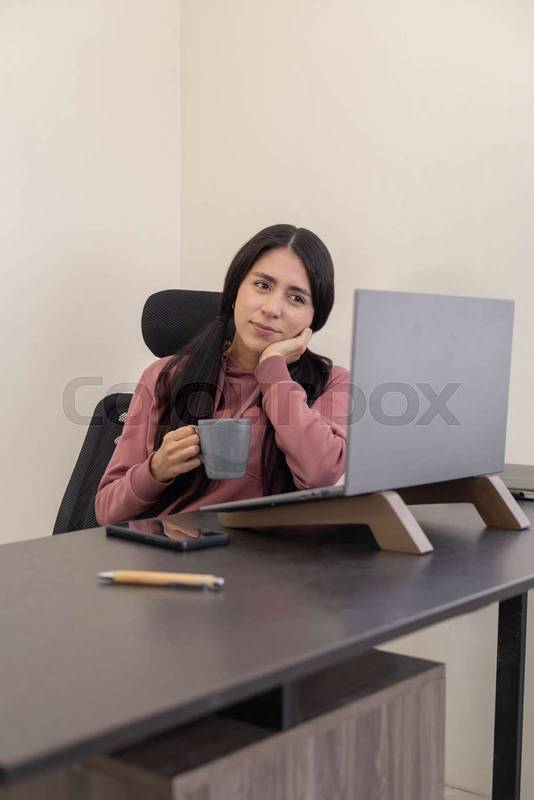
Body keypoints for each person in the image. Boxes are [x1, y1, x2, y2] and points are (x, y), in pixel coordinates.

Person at [95, 224, 351, 525]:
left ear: (313, 318)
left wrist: (272, 367)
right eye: (263, 286)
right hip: (171, 561)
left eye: (296, 298)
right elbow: (106, 511)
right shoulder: (164, 375)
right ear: (235, 291)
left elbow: (319, 475)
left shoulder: (332, 382)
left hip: (269, 563)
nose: (272, 309)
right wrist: (156, 469)